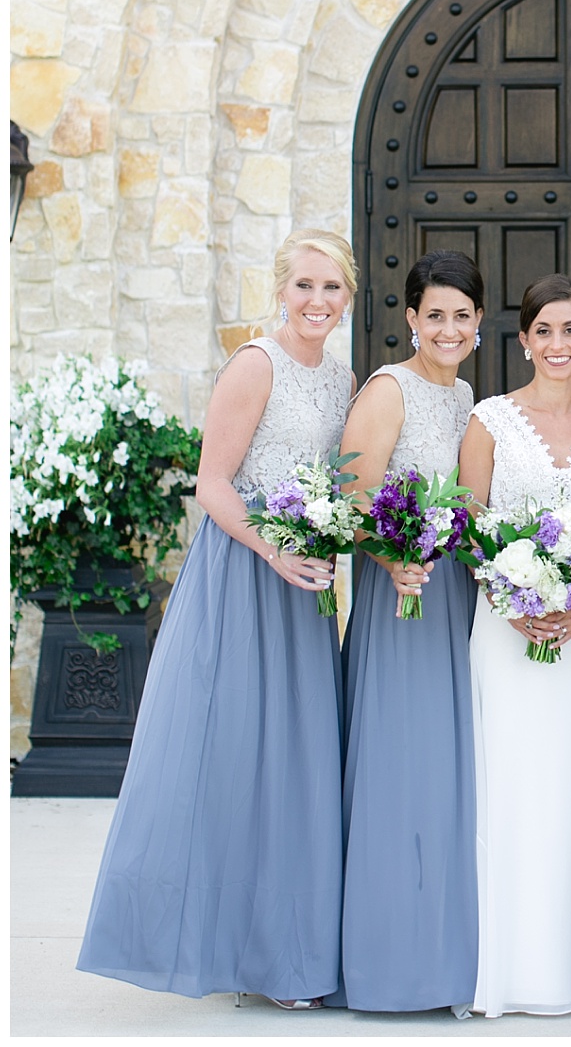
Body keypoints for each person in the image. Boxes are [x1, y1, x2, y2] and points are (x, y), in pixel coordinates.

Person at [77, 230, 356, 1010]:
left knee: (296, 762)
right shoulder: (255, 363)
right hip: (245, 575)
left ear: (348, 297)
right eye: (304, 284)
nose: (317, 301)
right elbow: (213, 481)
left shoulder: (342, 380)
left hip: (304, 586)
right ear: (280, 288)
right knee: (235, 752)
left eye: (332, 288)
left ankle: (284, 948)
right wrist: (275, 550)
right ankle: (225, 940)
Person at [459, 273, 571, 1017]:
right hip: (503, 633)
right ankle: (504, 969)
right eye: (544, 330)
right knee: (508, 789)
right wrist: (513, 601)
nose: (558, 344)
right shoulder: (489, 419)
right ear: (524, 338)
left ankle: (567, 968)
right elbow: (470, 525)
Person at [336, 251, 484, 1014]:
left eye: (462, 315)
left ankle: (445, 946)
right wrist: (393, 558)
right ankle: (392, 959)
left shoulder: (466, 398)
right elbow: (354, 498)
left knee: (452, 767)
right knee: (404, 763)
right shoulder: (388, 390)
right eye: (435, 314)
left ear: (479, 324)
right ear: (410, 319)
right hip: (405, 597)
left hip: (457, 593)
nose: (448, 327)